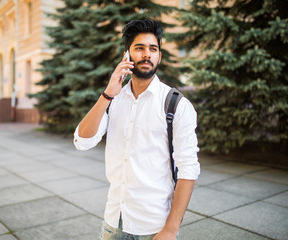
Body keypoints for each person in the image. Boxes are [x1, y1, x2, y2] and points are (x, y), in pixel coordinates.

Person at [74, 19, 200, 240]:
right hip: (113, 222)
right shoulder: (114, 99)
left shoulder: (176, 104)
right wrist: (107, 94)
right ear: (127, 55)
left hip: (154, 226)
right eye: (139, 48)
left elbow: (188, 171)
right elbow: (83, 141)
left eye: (153, 49)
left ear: (159, 56)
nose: (147, 54)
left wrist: (170, 230)